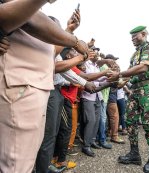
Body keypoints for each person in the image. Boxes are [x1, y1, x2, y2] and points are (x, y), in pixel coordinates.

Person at [0, 5, 89, 173]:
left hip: (36, 90)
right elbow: (31, 20)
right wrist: (76, 43)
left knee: (27, 154)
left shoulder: (43, 38)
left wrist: (68, 30)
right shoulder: (25, 13)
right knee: (15, 163)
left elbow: (51, 49)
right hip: (21, 88)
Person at [108, 25, 149, 173]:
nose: (132, 39)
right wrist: (119, 84)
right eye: (131, 37)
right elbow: (130, 75)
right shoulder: (134, 55)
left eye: (135, 36)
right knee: (130, 122)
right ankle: (134, 154)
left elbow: (143, 68)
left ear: (143, 34)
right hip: (135, 90)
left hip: (147, 90)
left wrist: (119, 75)